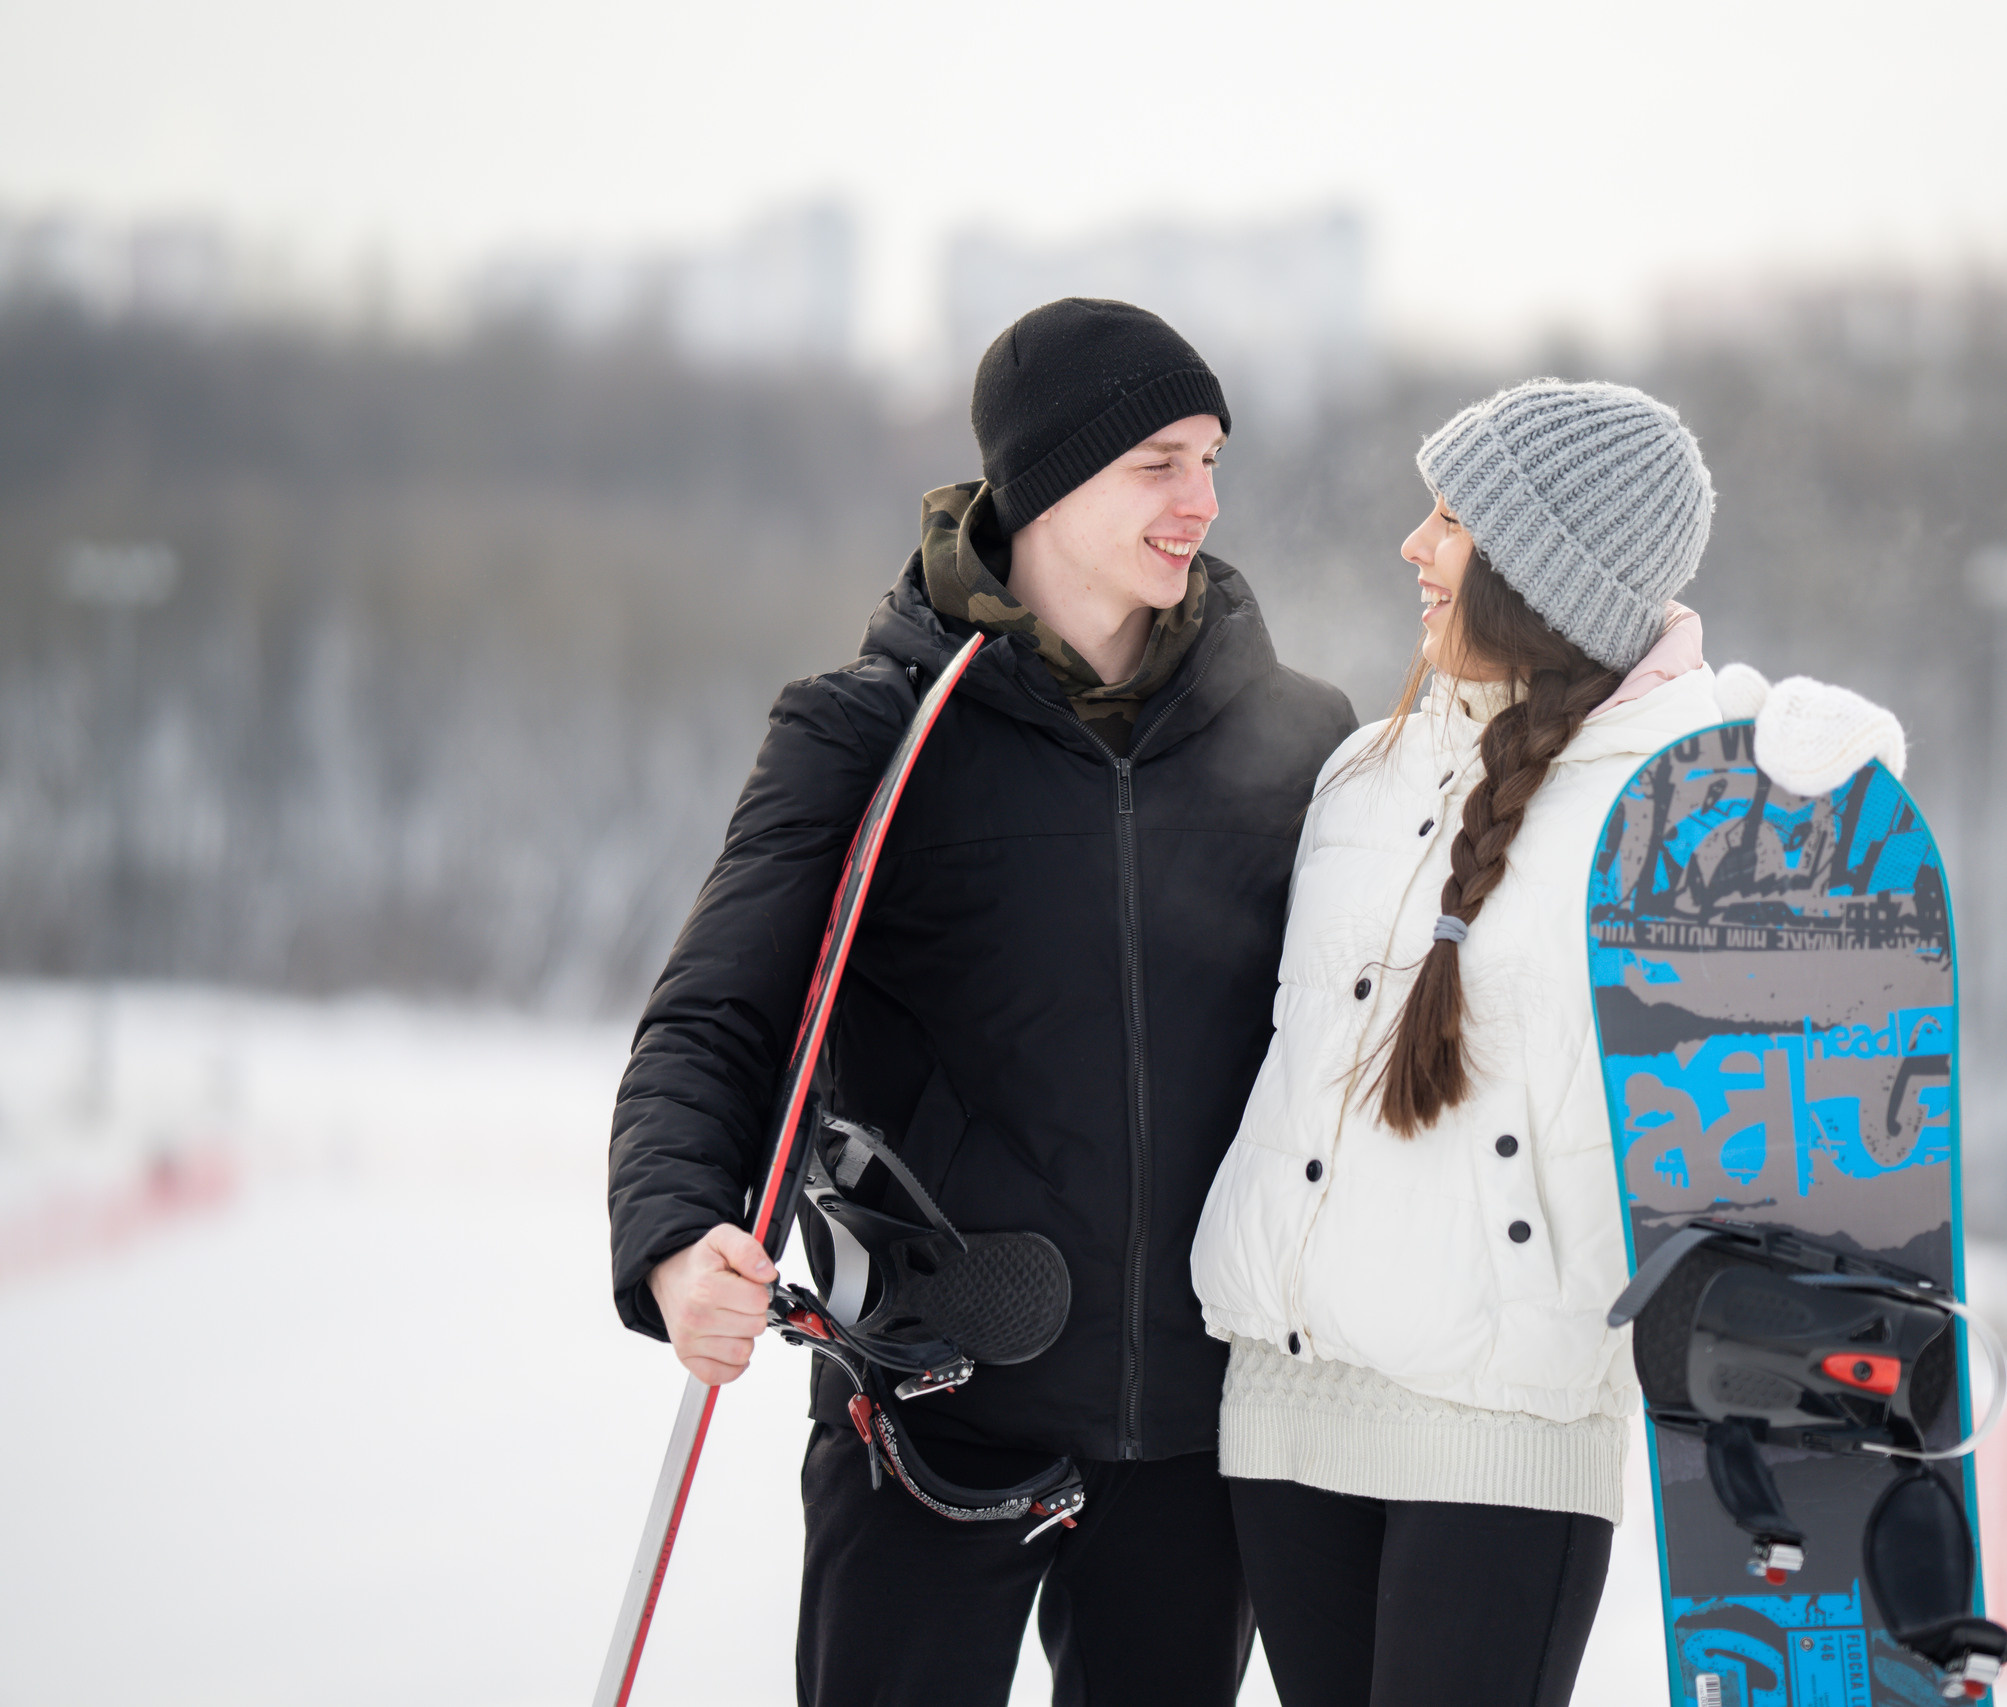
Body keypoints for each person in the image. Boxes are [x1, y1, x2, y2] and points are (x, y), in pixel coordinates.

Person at [609, 297, 1357, 1707]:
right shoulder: (871, 731)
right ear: (1048, 481)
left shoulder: (1301, 737)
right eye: (1158, 464)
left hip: (1199, 1443)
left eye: (1211, 459)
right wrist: (675, 1233)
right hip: (934, 1414)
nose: (1202, 500)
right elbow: (718, 1018)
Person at [1189, 379, 1907, 1707]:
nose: (1414, 544)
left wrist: (1827, 778)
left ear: (1537, 568)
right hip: (1290, 1411)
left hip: (1503, 1432)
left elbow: (1819, 856)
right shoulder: (1362, 775)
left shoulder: (1685, 790)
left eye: (1451, 518)